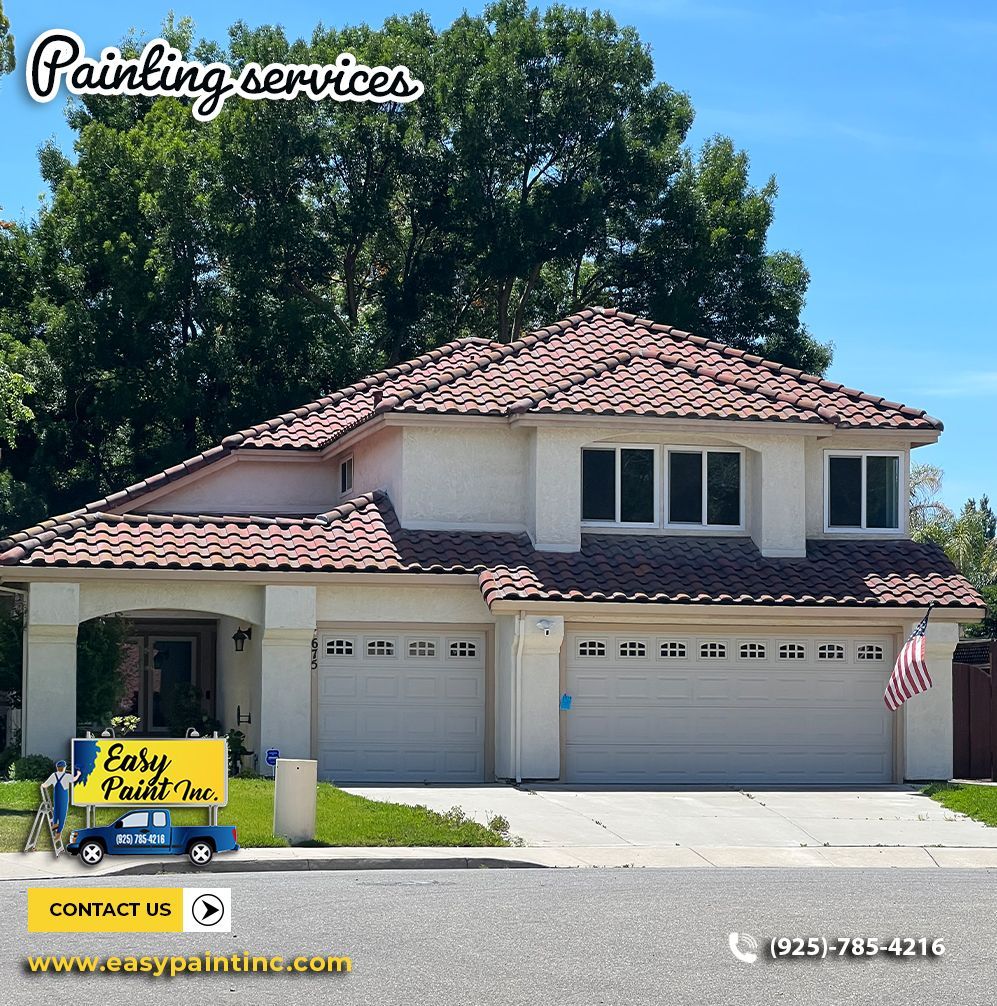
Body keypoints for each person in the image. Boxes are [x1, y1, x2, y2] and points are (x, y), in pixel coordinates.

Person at [41, 760, 81, 837]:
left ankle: (54, 826)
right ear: (64, 768)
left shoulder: (53, 775)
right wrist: (78, 774)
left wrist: (42, 785)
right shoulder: (67, 776)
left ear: (57, 768)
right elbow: (74, 779)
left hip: (56, 796)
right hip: (64, 797)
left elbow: (45, 785)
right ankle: (59, 832)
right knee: (62, 813)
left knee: (56, 811)